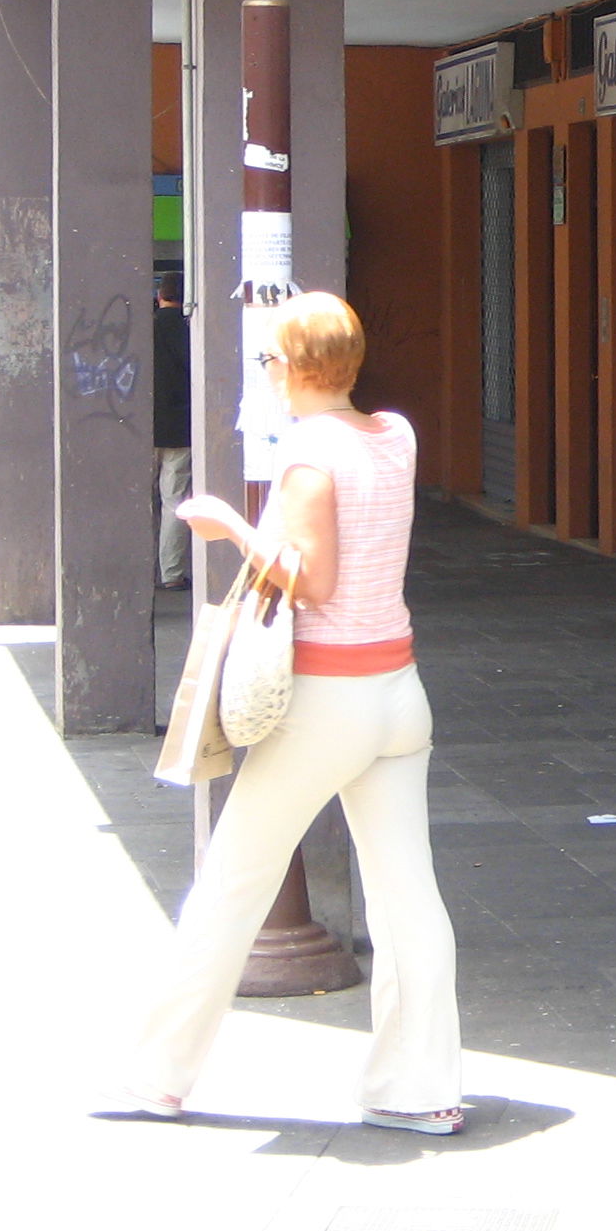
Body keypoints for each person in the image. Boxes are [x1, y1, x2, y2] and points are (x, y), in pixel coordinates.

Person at [123, 292, 463, 1134]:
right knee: (407, 894)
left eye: (269, 361)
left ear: (296, 367)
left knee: (234, 880)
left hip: (327, 699)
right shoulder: (397, 436)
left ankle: (158, 1075)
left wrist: (229, 525)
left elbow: (311, 583)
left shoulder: (310, 454)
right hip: (398, 693)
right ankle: (419, 1087)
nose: (264, 375)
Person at [152, 271, 193, 591]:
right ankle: (171, 574)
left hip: (142, 428)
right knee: (174, 501)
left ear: (159, 295)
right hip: (179, 430)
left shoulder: (143, 328)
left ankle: (138, 572)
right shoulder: (187, 330)